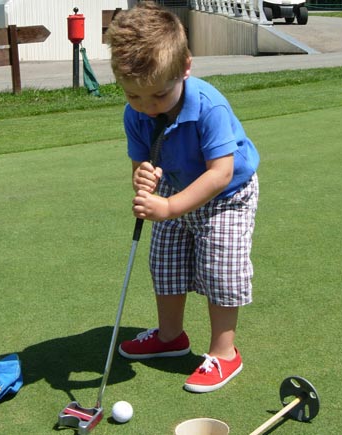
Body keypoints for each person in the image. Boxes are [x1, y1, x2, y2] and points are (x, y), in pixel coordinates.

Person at [105, 1, 260, 393]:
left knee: (220, 267)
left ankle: (225, 353)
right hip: (174, 186)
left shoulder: (209, 106)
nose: (146, 107)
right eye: (133, 96)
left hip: (227, 194)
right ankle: (171, 336)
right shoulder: (135, 113)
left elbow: (220, 172)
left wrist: (170, 206)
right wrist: (142, 180)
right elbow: (140, 161)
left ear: (185, 67)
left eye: (157, 96)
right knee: (166, 263)